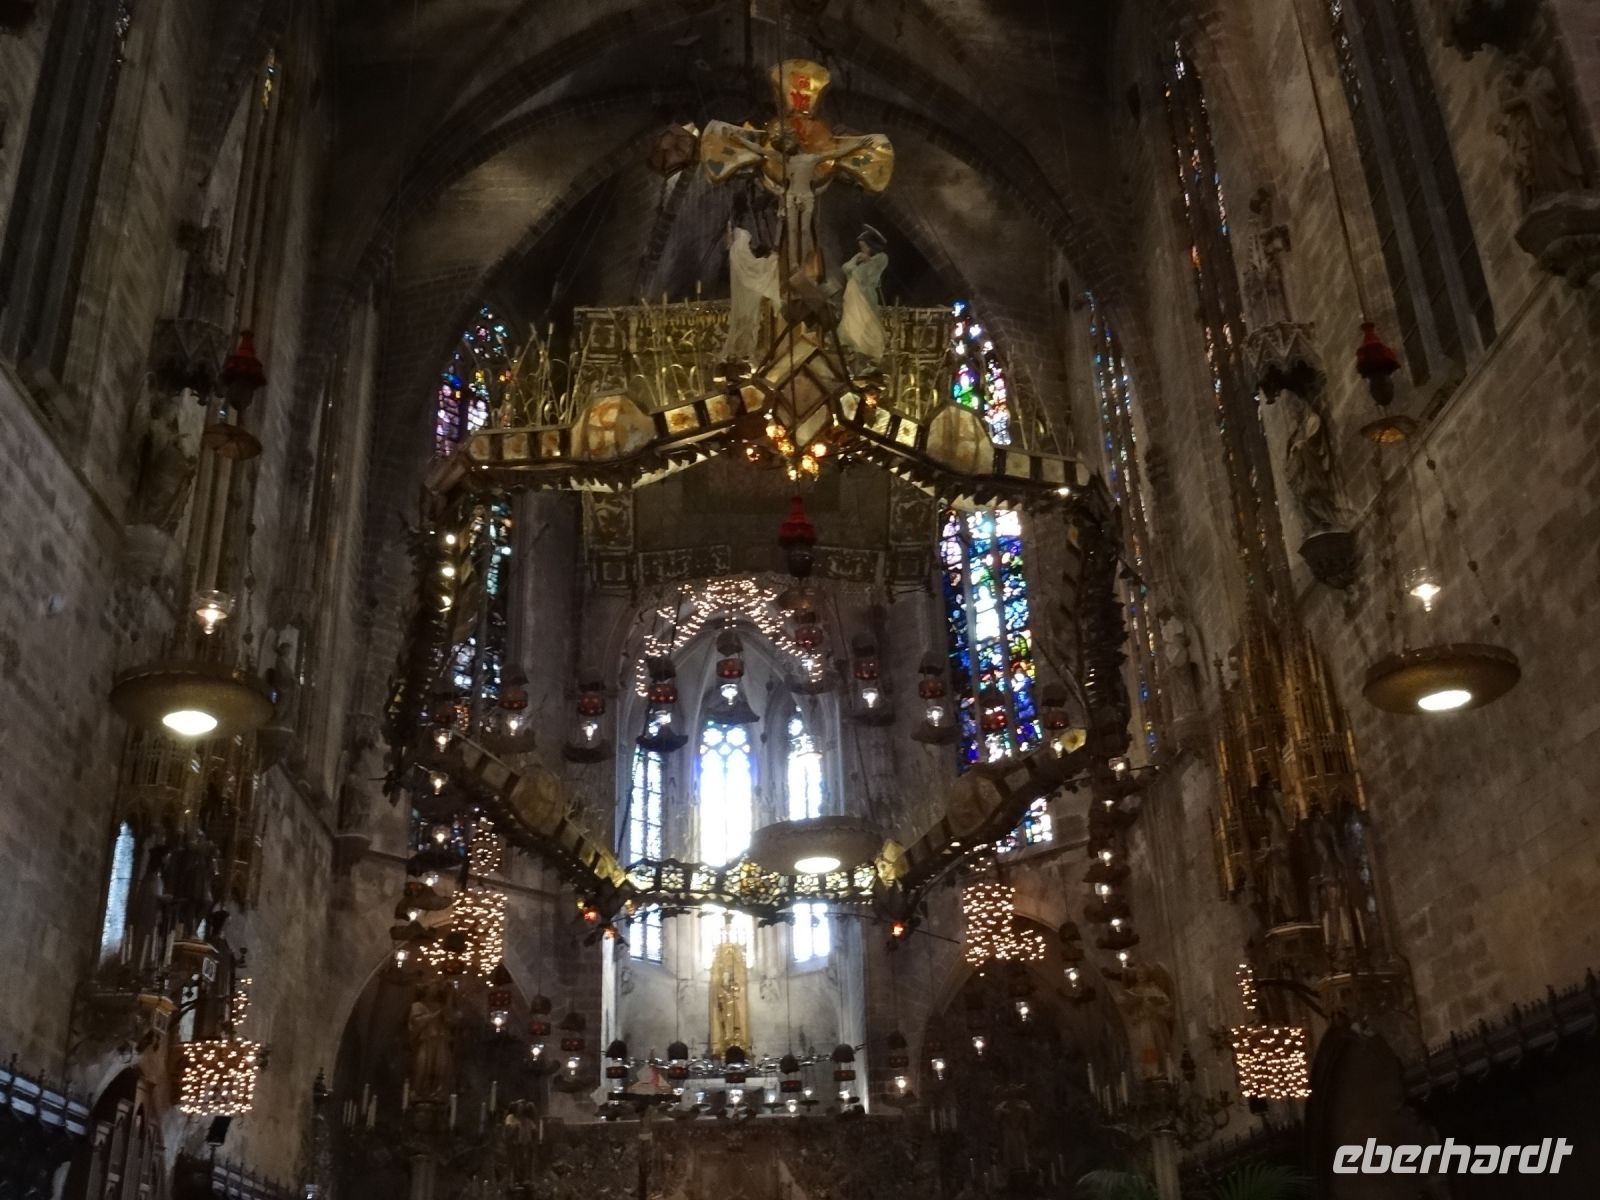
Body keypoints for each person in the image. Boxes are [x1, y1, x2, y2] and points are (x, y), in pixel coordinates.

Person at [837, 225, 888, 368]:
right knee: (851, 324)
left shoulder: (881, 258)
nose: (863, 249)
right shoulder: (860, 257)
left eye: (864, 246)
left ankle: (868, 357)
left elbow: (862, 276)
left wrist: (865, 262)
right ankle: (853, 356)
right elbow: (845, 268)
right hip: (852, 297)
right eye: (861, 246)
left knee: (866, 324)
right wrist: (856, 260)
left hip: (864, 297)